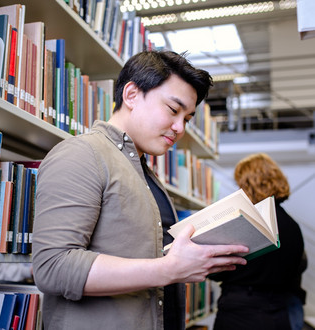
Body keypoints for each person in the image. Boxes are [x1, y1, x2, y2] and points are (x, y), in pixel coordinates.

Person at [32, 50, 249, 330]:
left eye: (187, 118)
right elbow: (53, 267)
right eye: (173, 110)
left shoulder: (145, 171)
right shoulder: (82, 154)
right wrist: (168, 269)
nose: (179, 127)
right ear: (131, 95)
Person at [210, 153, 307, 330]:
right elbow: (297, 268)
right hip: (278, 314)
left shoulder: (244, 223)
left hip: (239, 313)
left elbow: (218, 271)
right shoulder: (292, 226)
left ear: (247, 184)